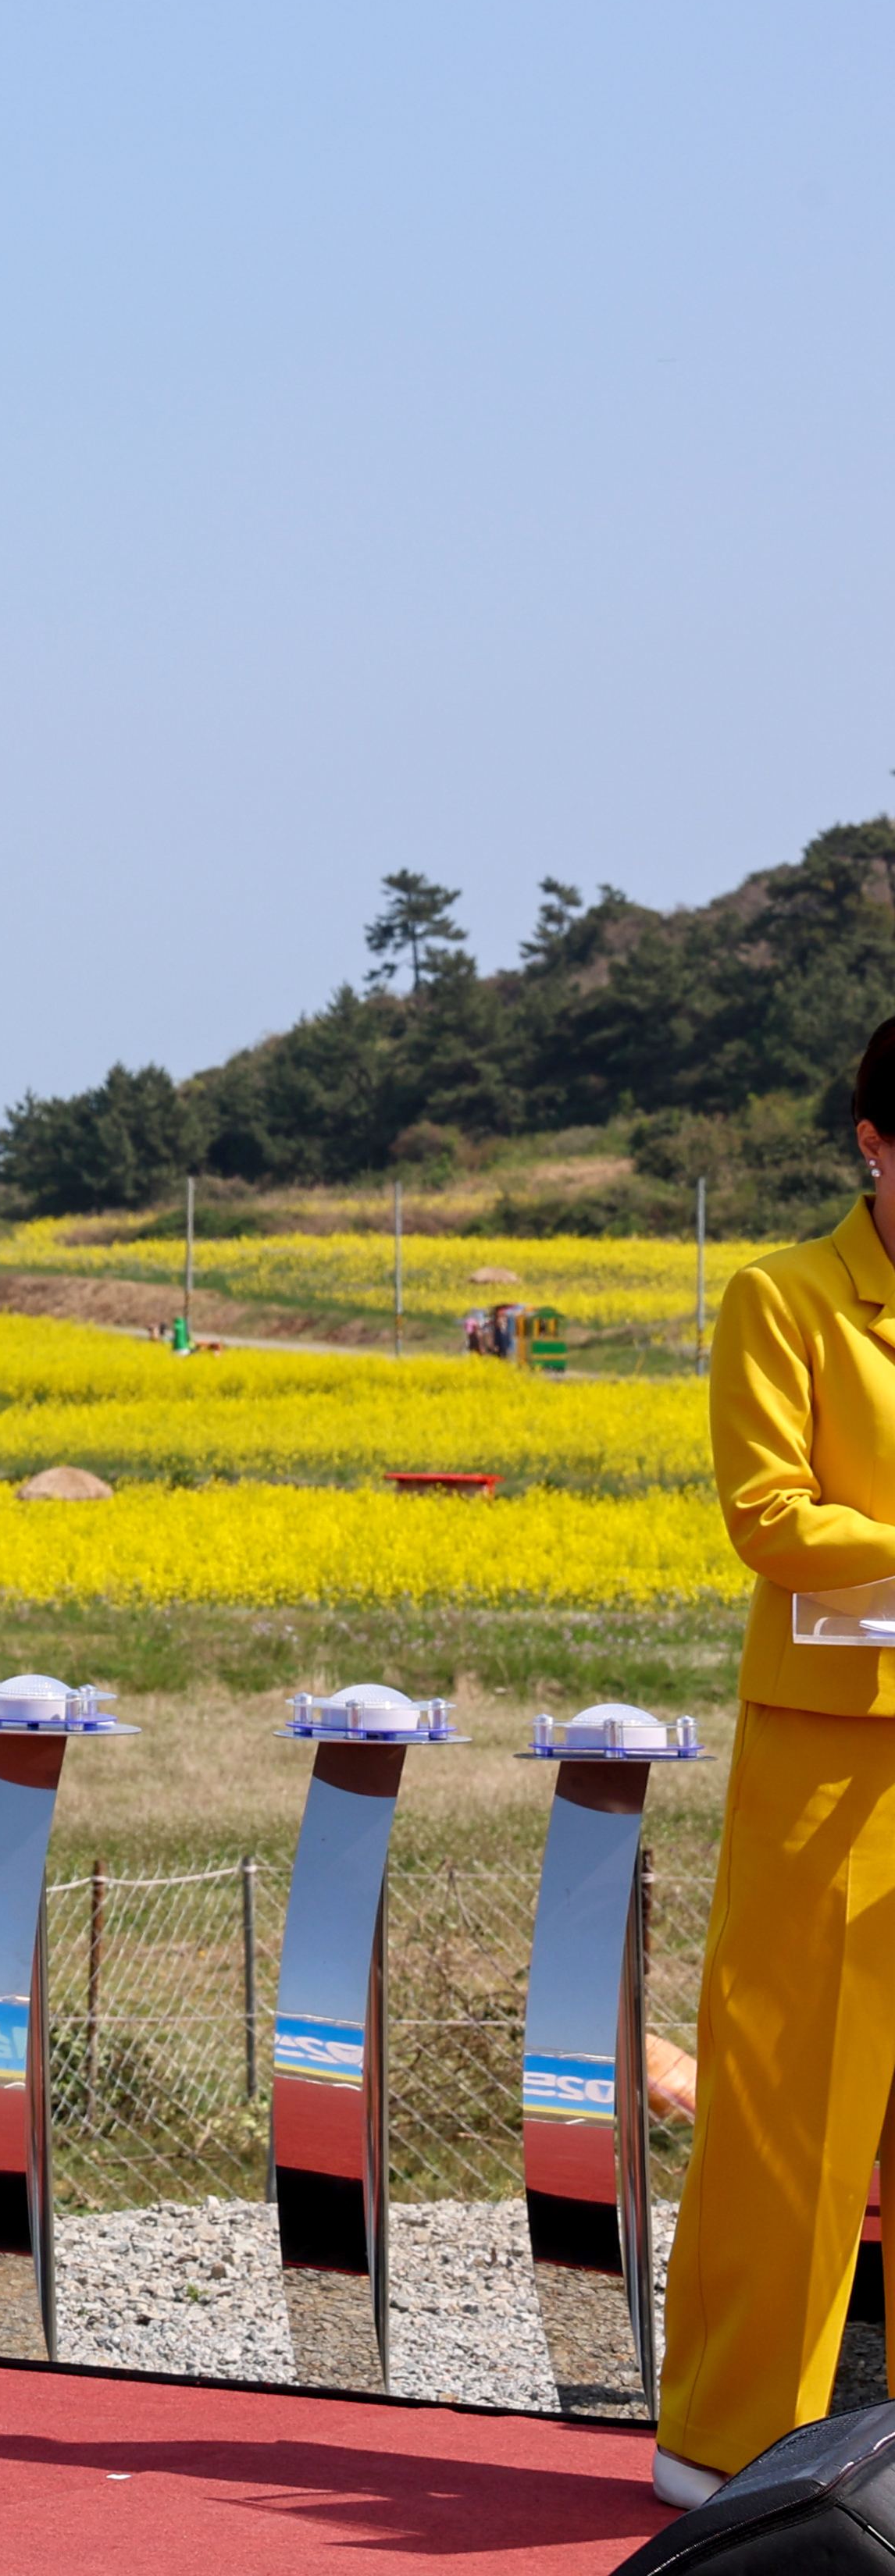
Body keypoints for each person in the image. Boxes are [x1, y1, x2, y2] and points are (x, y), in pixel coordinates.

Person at [657, 1019, 895, 2507]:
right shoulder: (788, 1299)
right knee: (791, 2112)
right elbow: (770, 1514)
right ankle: (734, 2449)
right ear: (875, 1146)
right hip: (829, 1765)